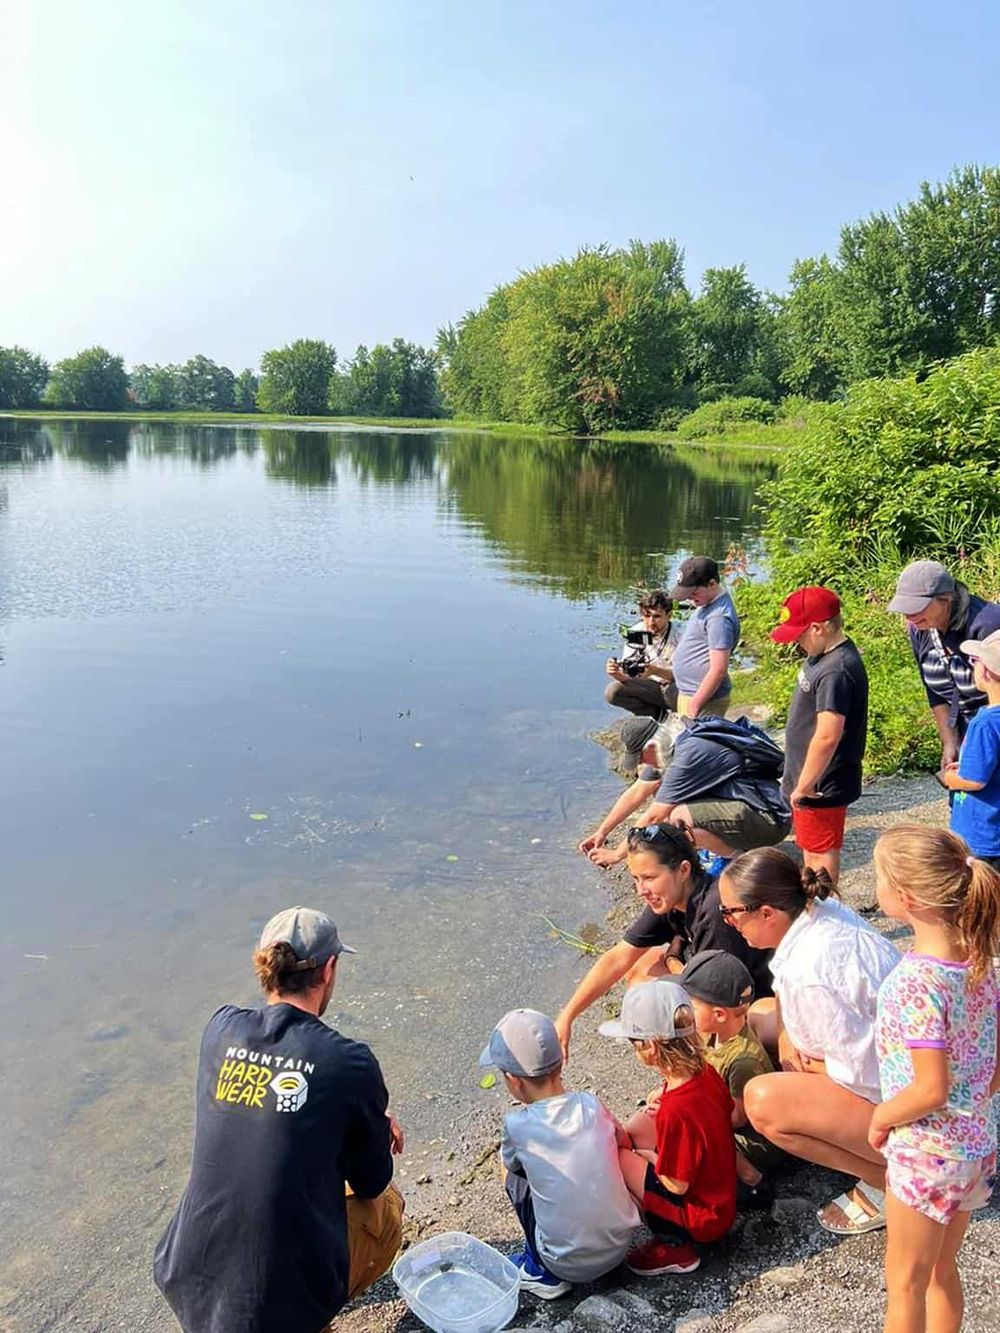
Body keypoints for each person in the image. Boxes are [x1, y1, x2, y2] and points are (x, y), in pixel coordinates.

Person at [154, 907, 405, 1333]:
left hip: (186, 1273)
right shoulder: (349, 1062)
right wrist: (376, 1129)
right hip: (276, 1303)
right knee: (389, 1211)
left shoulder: (220, 1029)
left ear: (265, 967)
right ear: (329, 969)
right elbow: (371, 1181)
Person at [717, 849, 900, 1236]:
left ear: (767, 913)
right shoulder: (819, 910)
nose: (728, 922)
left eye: (731, 912)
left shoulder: (811, 971)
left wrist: (810, 1067)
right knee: (761, 1015)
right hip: (895, 1063)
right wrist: (786, 1037)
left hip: (899, 1104)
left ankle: (891, 1182)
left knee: (763, 1101)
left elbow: (866, 1077)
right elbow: (784, 987)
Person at [868, 826, 1000, 1333]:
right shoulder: (979, 963)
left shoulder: (914, 983)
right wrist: (976, 1099)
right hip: (976, 1145)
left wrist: (882, 1116)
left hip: (928, 1150)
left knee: (905, 1282)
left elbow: (930, 1089)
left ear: (904, 898)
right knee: (942, 1270)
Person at [556, 824, 773, 1062]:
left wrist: (672, 961)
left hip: (751, 1004)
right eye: (636, 879)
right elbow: (618, 957)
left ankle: (683, 1065)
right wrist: (567, 1017)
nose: (641, 890)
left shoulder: (712, 912)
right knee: (643, 965)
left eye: (649, 878)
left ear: (683, 870)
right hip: (715, 986)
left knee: (651, 992)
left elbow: (714, 997)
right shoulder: (671, 897)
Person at [478, 1009, 639, 1300]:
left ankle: (542, 1269)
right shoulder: (591, 1104)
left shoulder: (517, 1125)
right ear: (559, 1061)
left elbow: (514, 1167)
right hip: (620, 1246)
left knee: (511, 1170)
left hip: (567, 1265)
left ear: (514, 1081)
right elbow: (624, 1140)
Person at [601, 980, 737, 1276]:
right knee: (636, 1130)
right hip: (722, 1192)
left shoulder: (676, 1110)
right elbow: (724, 1112)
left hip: (702, 1216)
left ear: (650, 1046)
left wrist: (649, 1157)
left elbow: (677, 1185)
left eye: (633, 1043)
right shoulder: (704, 1072)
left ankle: (675, 1246)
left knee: (622, 1156)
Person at [579, 714, 790, 865]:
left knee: (676, 816)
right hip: (751, 806)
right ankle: (725, 848)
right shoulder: (675, 741)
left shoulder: (687, 756)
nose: (642, 765)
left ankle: (737, 861)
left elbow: (654, 817)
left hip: (768, 819)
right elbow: (637, 791)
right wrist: (602, 831)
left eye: (641, 758)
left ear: (650, 747)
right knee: (669, 804)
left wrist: (617, 854)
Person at [769, 585, 868, 885]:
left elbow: (828, 735)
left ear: (819, 628)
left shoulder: (836, 670)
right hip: (807, 776)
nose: (796, 643)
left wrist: (804, 784)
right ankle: (815, 908)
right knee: (810, 847)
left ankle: (825, 912)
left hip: (820, 783)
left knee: (820, 851)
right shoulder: (821, 657)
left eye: (799, 635)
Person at [679, 950, 784, 1211]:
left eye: (691, 1005)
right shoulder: (713, 1036)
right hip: (728, 1122)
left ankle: (745, 1184)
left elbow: (738, 1117)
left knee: (695, 1147)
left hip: (754, 1142)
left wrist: (696, 1113)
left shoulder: (742, 1060)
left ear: (719, 1014)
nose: (684, 1011)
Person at [887, 560, 1000, 771]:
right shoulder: (919, 627)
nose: (908, 616)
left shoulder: (988, 625)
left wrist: (981, 746)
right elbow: (934, 691)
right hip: (966, 727)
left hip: (993, 728)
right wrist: (950, 742)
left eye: (915, 607)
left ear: (946, 599)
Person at [941, 628, 1000, 868]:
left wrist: (951, 778)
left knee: (982, 898)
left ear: (986, 671)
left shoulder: (985, 723)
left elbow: (975, 781)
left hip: (982, 836)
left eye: (974, 660)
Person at [668, 556, 740, 720]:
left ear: (712, 584)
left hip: (704, 701)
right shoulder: (706, 603)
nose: (689, 598)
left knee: (694, 745)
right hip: (690, 693)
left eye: (693, 592)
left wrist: (694, 706)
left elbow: (718, 669)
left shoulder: (719, 617)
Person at [605, 590, 681, 729]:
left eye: (657, 616)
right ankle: (659, 716)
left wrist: (654, 671)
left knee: (675, 691)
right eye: (647, 616)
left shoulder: (681, 636)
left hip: (675, 687)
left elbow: (685, 676)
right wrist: (616, 673)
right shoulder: (635, 633)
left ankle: (681, 719)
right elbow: (629, 676)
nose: (651, 622)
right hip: (649, 687)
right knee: (613, 691)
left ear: (669, 615)